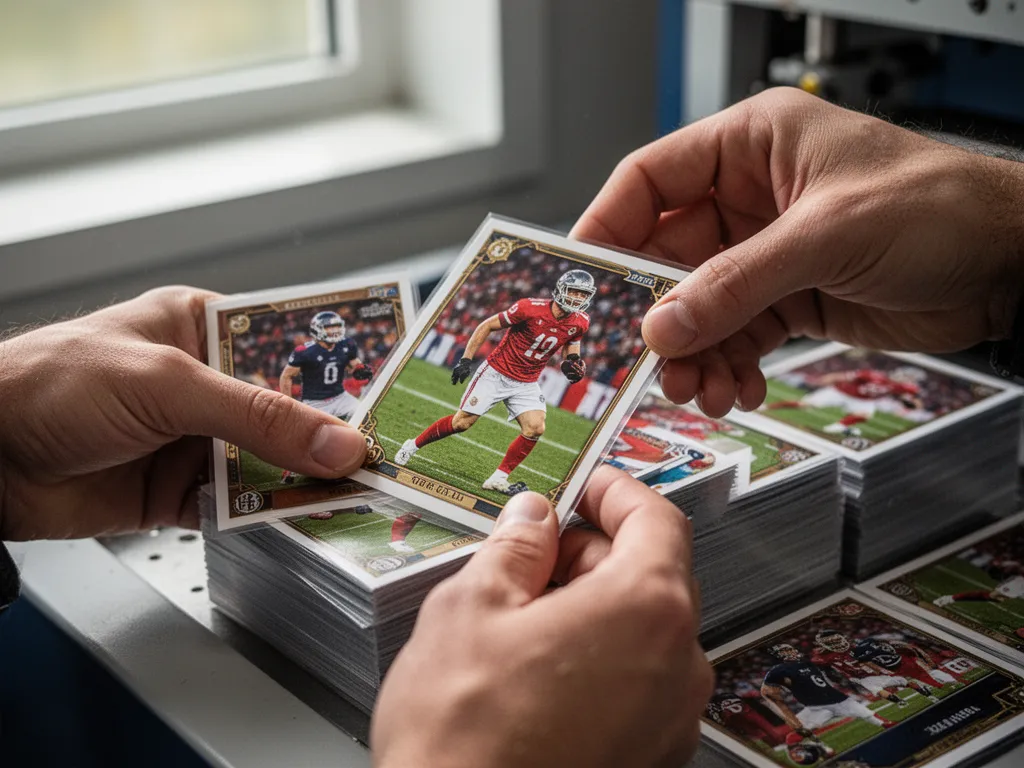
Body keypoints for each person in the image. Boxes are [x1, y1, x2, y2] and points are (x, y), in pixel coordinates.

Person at [2, 84, 1023, 767]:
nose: (572, 297)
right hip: (486, 373)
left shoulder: (575, 317)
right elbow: (500, 315)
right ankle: (418, 449)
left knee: (536, 432)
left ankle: (461, 450)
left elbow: (577, 350)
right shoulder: (527, 309)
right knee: (456, 423)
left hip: (526, 387)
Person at [394, 269, 593, 495]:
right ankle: (412, 445)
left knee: (536, 427)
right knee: (461, 424)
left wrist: (573, 363)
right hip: (496, 373)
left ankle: (499, 478)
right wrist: (466, 359)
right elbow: (486, 325)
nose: (578, 298)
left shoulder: (581, 321)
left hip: (527, 381)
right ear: (560, 289)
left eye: (583, 294)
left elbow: (571, 348)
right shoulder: (529, 307)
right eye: (574, 292)